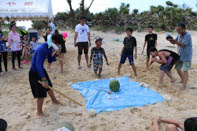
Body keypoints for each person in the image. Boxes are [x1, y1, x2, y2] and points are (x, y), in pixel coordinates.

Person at [29, 33, 62, 117]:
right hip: (35, 72)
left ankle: (54, 100)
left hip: (41, 70)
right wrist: (43, 79)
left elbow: (50, 59)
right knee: (41, 93)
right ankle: (39, 112)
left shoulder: (50, 47)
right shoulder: (42, 48)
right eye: (58, 44)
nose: (58, 45)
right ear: (53, 41)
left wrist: (56, 54)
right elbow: (38, 64)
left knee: (49, 86)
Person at [167, 23, 192, 90]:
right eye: (177, 30)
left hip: (187, 55)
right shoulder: (179, 34)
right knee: (178, 68)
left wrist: (175, 41)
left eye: (179, 30)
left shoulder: (188, 35)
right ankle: (182, 80)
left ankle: (184, 85)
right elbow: (174, 42)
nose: (178, 31)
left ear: (184, 29)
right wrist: (170, 40)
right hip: (180, 54)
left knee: (185, 70)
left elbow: (182, 45)